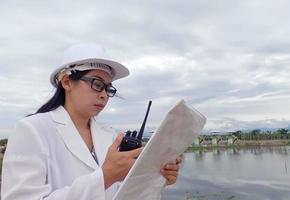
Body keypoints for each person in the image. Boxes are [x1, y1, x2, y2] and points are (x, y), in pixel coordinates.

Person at [1, 44, 181, 200]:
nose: (104, 94)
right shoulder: (32, 130)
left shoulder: (109, 136)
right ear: (67, 82)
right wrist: (104, 177)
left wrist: (157, 178)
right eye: (96, 83)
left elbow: (121, 193)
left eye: (108, 87)